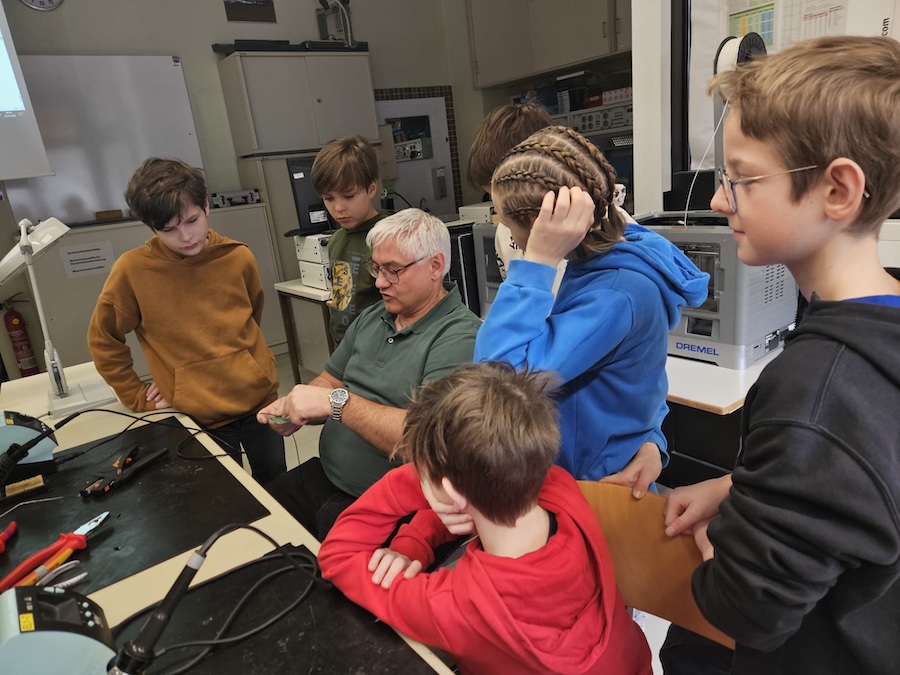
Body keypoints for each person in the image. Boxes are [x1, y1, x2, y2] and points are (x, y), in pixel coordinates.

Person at [661, 36, 900, 675]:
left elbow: (747, 609)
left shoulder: (816, 388)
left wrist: (728, 541)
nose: (720, 201)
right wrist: (739, 487)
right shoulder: (881, 331)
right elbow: (863, 469)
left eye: (741, 180)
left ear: (838, 190)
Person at [318, 361, 652, 675]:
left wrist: (407, 483)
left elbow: (337, 556)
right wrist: (413, 543)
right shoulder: (561, 488)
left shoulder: (455, 605)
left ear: (451, 492)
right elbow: (478, 494)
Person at [474, 126, 709, 495]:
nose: (511, 239)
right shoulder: (610, 261)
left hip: (593, 491)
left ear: (543, 227)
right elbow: (639, 381)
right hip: (591, 475)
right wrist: (652, 438)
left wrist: (536, 263)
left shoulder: (614, 292)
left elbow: (496, 383)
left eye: (509, 226)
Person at [258, 209, 482, 539]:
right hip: (324, 478)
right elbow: (330, 380)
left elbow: (426, 440)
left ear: (435, 266)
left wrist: (336, 403)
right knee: (247, 532)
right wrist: (298, 407)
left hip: (388, 509)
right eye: (376, 268)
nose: (379, 282)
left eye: (393, 270)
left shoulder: (461, 338)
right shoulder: (374, 316)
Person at [88, 157, 286, 483]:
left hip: (259, 403)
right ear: (151, 227)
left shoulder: (238, 257)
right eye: (169, 229)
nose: (185, 236)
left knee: (277, 484)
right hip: (198, 416)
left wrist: (248, 364)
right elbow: (103, 339)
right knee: (226, 498)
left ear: (206, 205)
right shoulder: (132, 272)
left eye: (192, 220)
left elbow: (250, 317)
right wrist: (136, 394)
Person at [467, 102, 568, 291]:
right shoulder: (505, 233)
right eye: (491, 194)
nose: (500, 209)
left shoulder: (605, 233)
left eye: (503, 191)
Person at [312, 135, 387, 345]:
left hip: (378, 346)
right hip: (344, 346)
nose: (338, 208)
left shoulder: (389, 235)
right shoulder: (336, 240)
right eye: (328, 198)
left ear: (371, 188)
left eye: (348, 196)